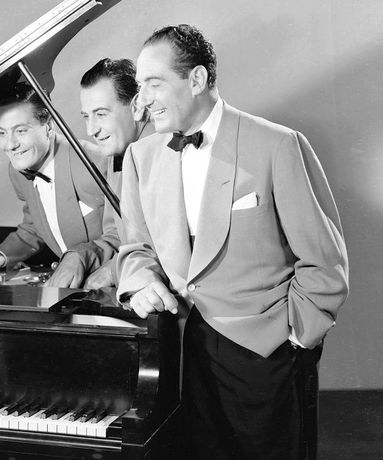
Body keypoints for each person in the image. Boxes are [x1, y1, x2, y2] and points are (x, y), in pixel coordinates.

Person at [116, 25, 348, 460]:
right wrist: (140, 281)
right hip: (180, 356)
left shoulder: (278, 144)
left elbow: (325, 260)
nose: (142, 100)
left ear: (197, 79)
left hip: (267, 357)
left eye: (154, 84)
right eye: (139, 85)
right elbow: (134, 248)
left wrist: (296, 338)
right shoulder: (139, 157)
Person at [0, 82, 109, 287]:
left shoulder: (95, 163)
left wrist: (81, 256)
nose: (10, 145)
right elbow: (36, 225)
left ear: (48, 126)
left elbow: (135, 234)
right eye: (2, 133)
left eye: (21, 131)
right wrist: (1, 255)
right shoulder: (18, 171)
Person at [68, 58, 152, 289]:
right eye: (86, 116)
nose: (91, 130)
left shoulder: (166, 153)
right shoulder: (117, 155)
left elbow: (170, 245)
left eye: (101, 114)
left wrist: (114, 270)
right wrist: (80, 256)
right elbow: (117, 235)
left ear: (137, 107)